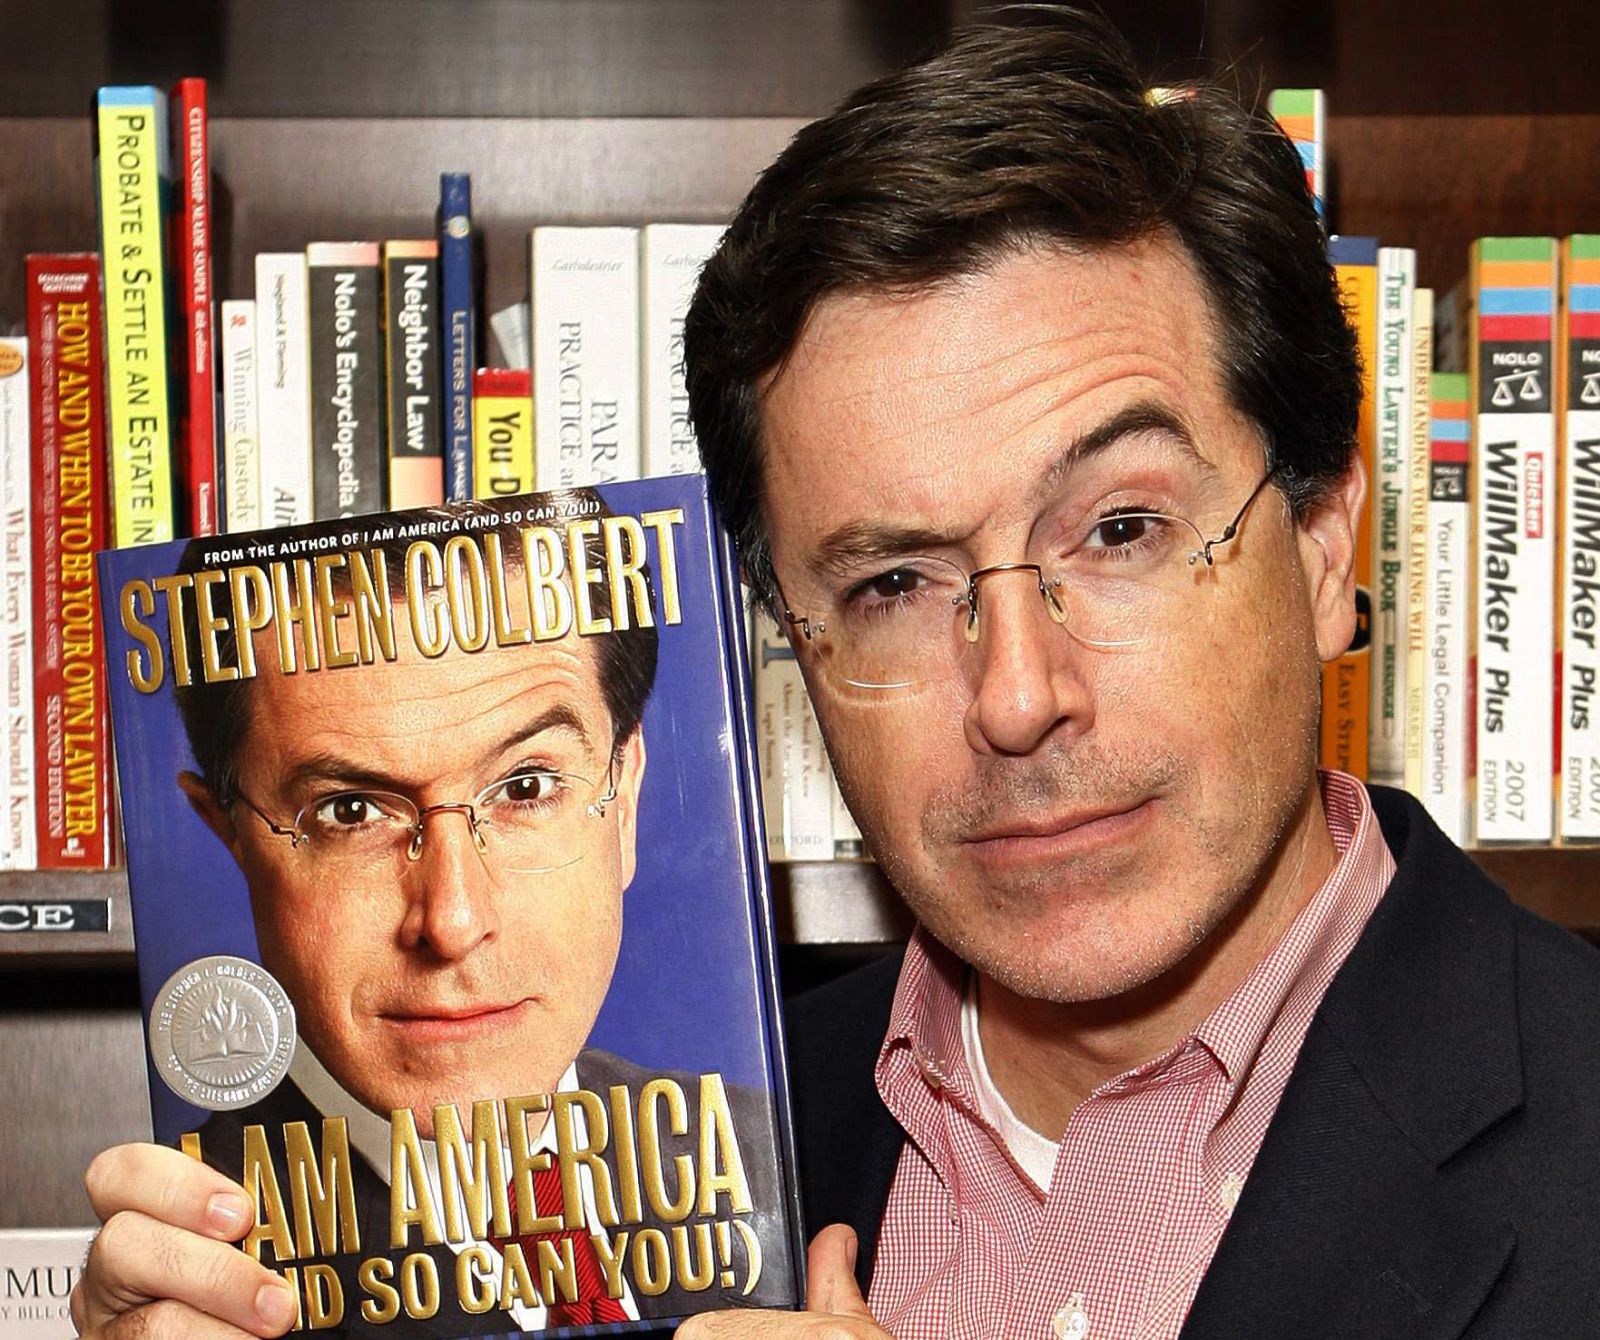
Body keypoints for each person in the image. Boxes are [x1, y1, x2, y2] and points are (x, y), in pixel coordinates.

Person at [73, 11, 1600, 1340]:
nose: (1015, 695)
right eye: (887, 585)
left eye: (1122, 529)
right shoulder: (643, 1170)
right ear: (787, 660)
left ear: (1326, 543)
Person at [94, 500, 789, 1334]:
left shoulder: (771, 1167)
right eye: (350, 810)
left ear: (626, 796)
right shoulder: (209, 1280)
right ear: (231, 837)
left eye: (527, 787)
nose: (454, 921)